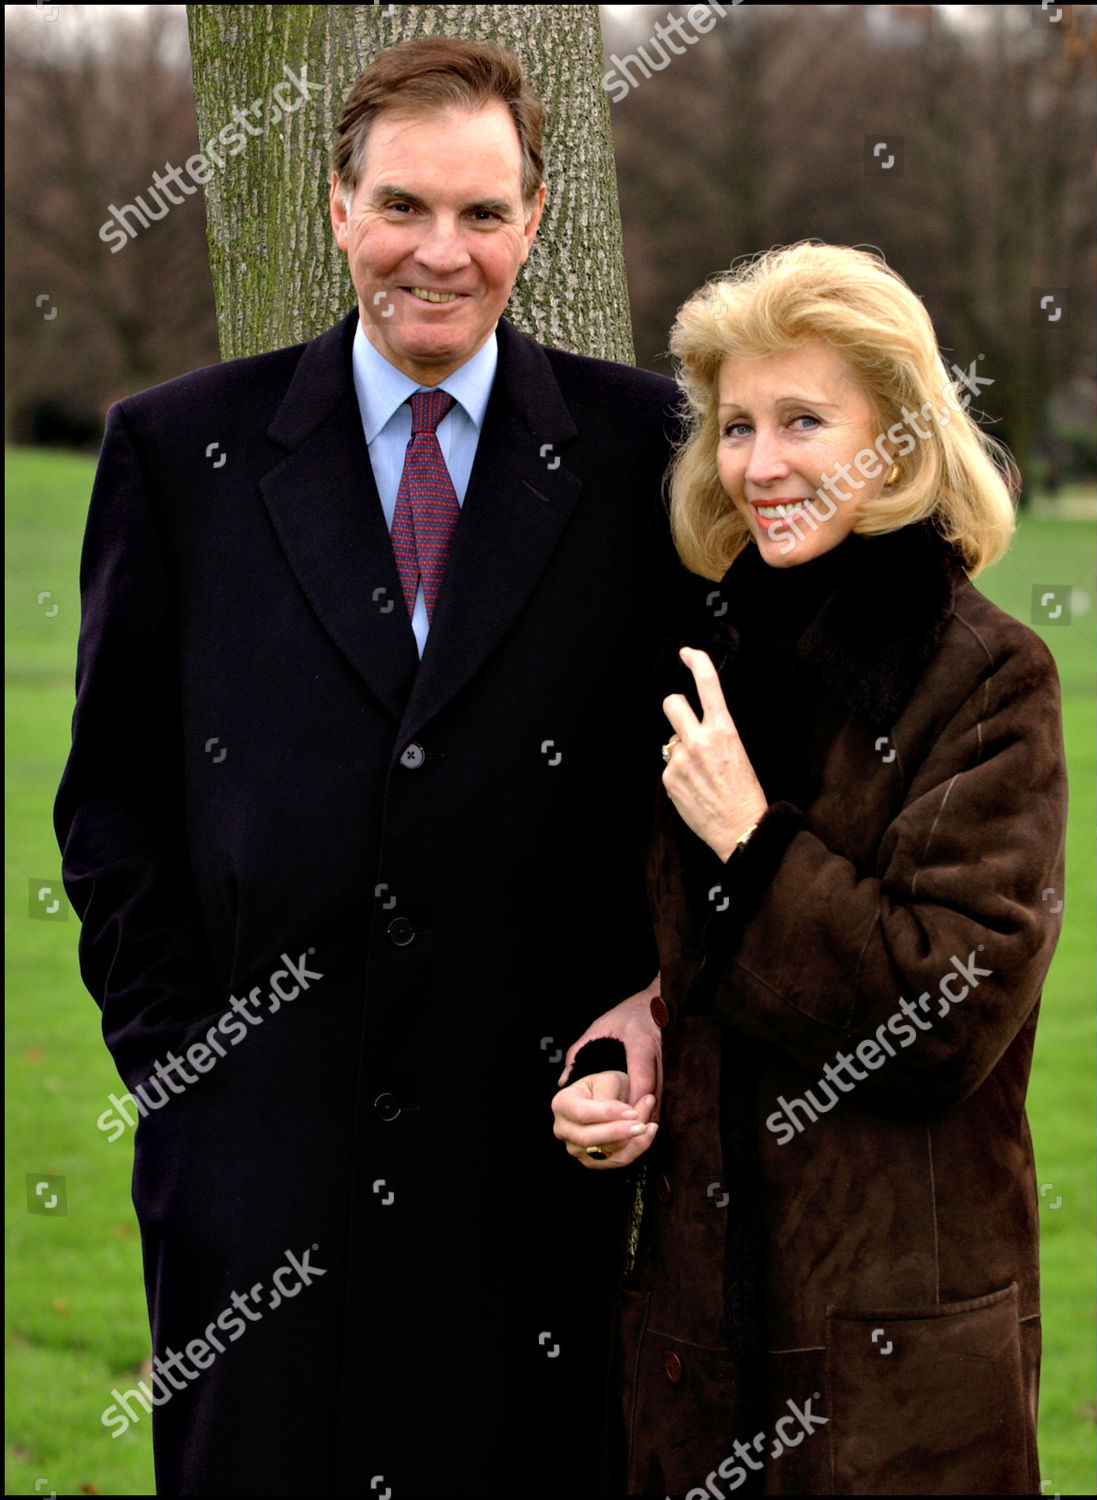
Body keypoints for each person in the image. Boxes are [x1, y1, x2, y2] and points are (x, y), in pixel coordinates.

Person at [54, 36, 684, 1497]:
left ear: (534, 223)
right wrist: (183, 1081)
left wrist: (654, 1011)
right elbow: (112, 803)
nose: (438, 254)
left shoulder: (642, 450)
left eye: (479, 216)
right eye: (402, 207)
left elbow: (708, 780)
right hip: (255, 1178)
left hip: (537, 1174)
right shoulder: (176, 451)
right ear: (337, 207)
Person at [551, 243, 1067, 1497]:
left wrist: (753, 838)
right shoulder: (708, 650)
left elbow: (943, 1018)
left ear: (896, 433)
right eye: (736, 425)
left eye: (802, 420)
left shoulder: (984, 678)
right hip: (688, 1351)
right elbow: (695, 951)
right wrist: (631, 1039)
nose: (760, 463)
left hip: (893, 1372)